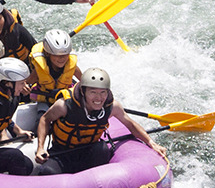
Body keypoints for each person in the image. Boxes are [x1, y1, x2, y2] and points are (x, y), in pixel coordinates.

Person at [34, 68, 165, 174]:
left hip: (89, 151)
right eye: (93, 92)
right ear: (83, 91)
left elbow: (130, 124)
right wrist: (40, 148)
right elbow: (45, 119)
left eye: (103, 92)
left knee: (102, 149)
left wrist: (151, 142)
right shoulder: (63, 106)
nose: (99, 98)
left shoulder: (113, 107)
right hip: (62, 153)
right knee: (47, 171)